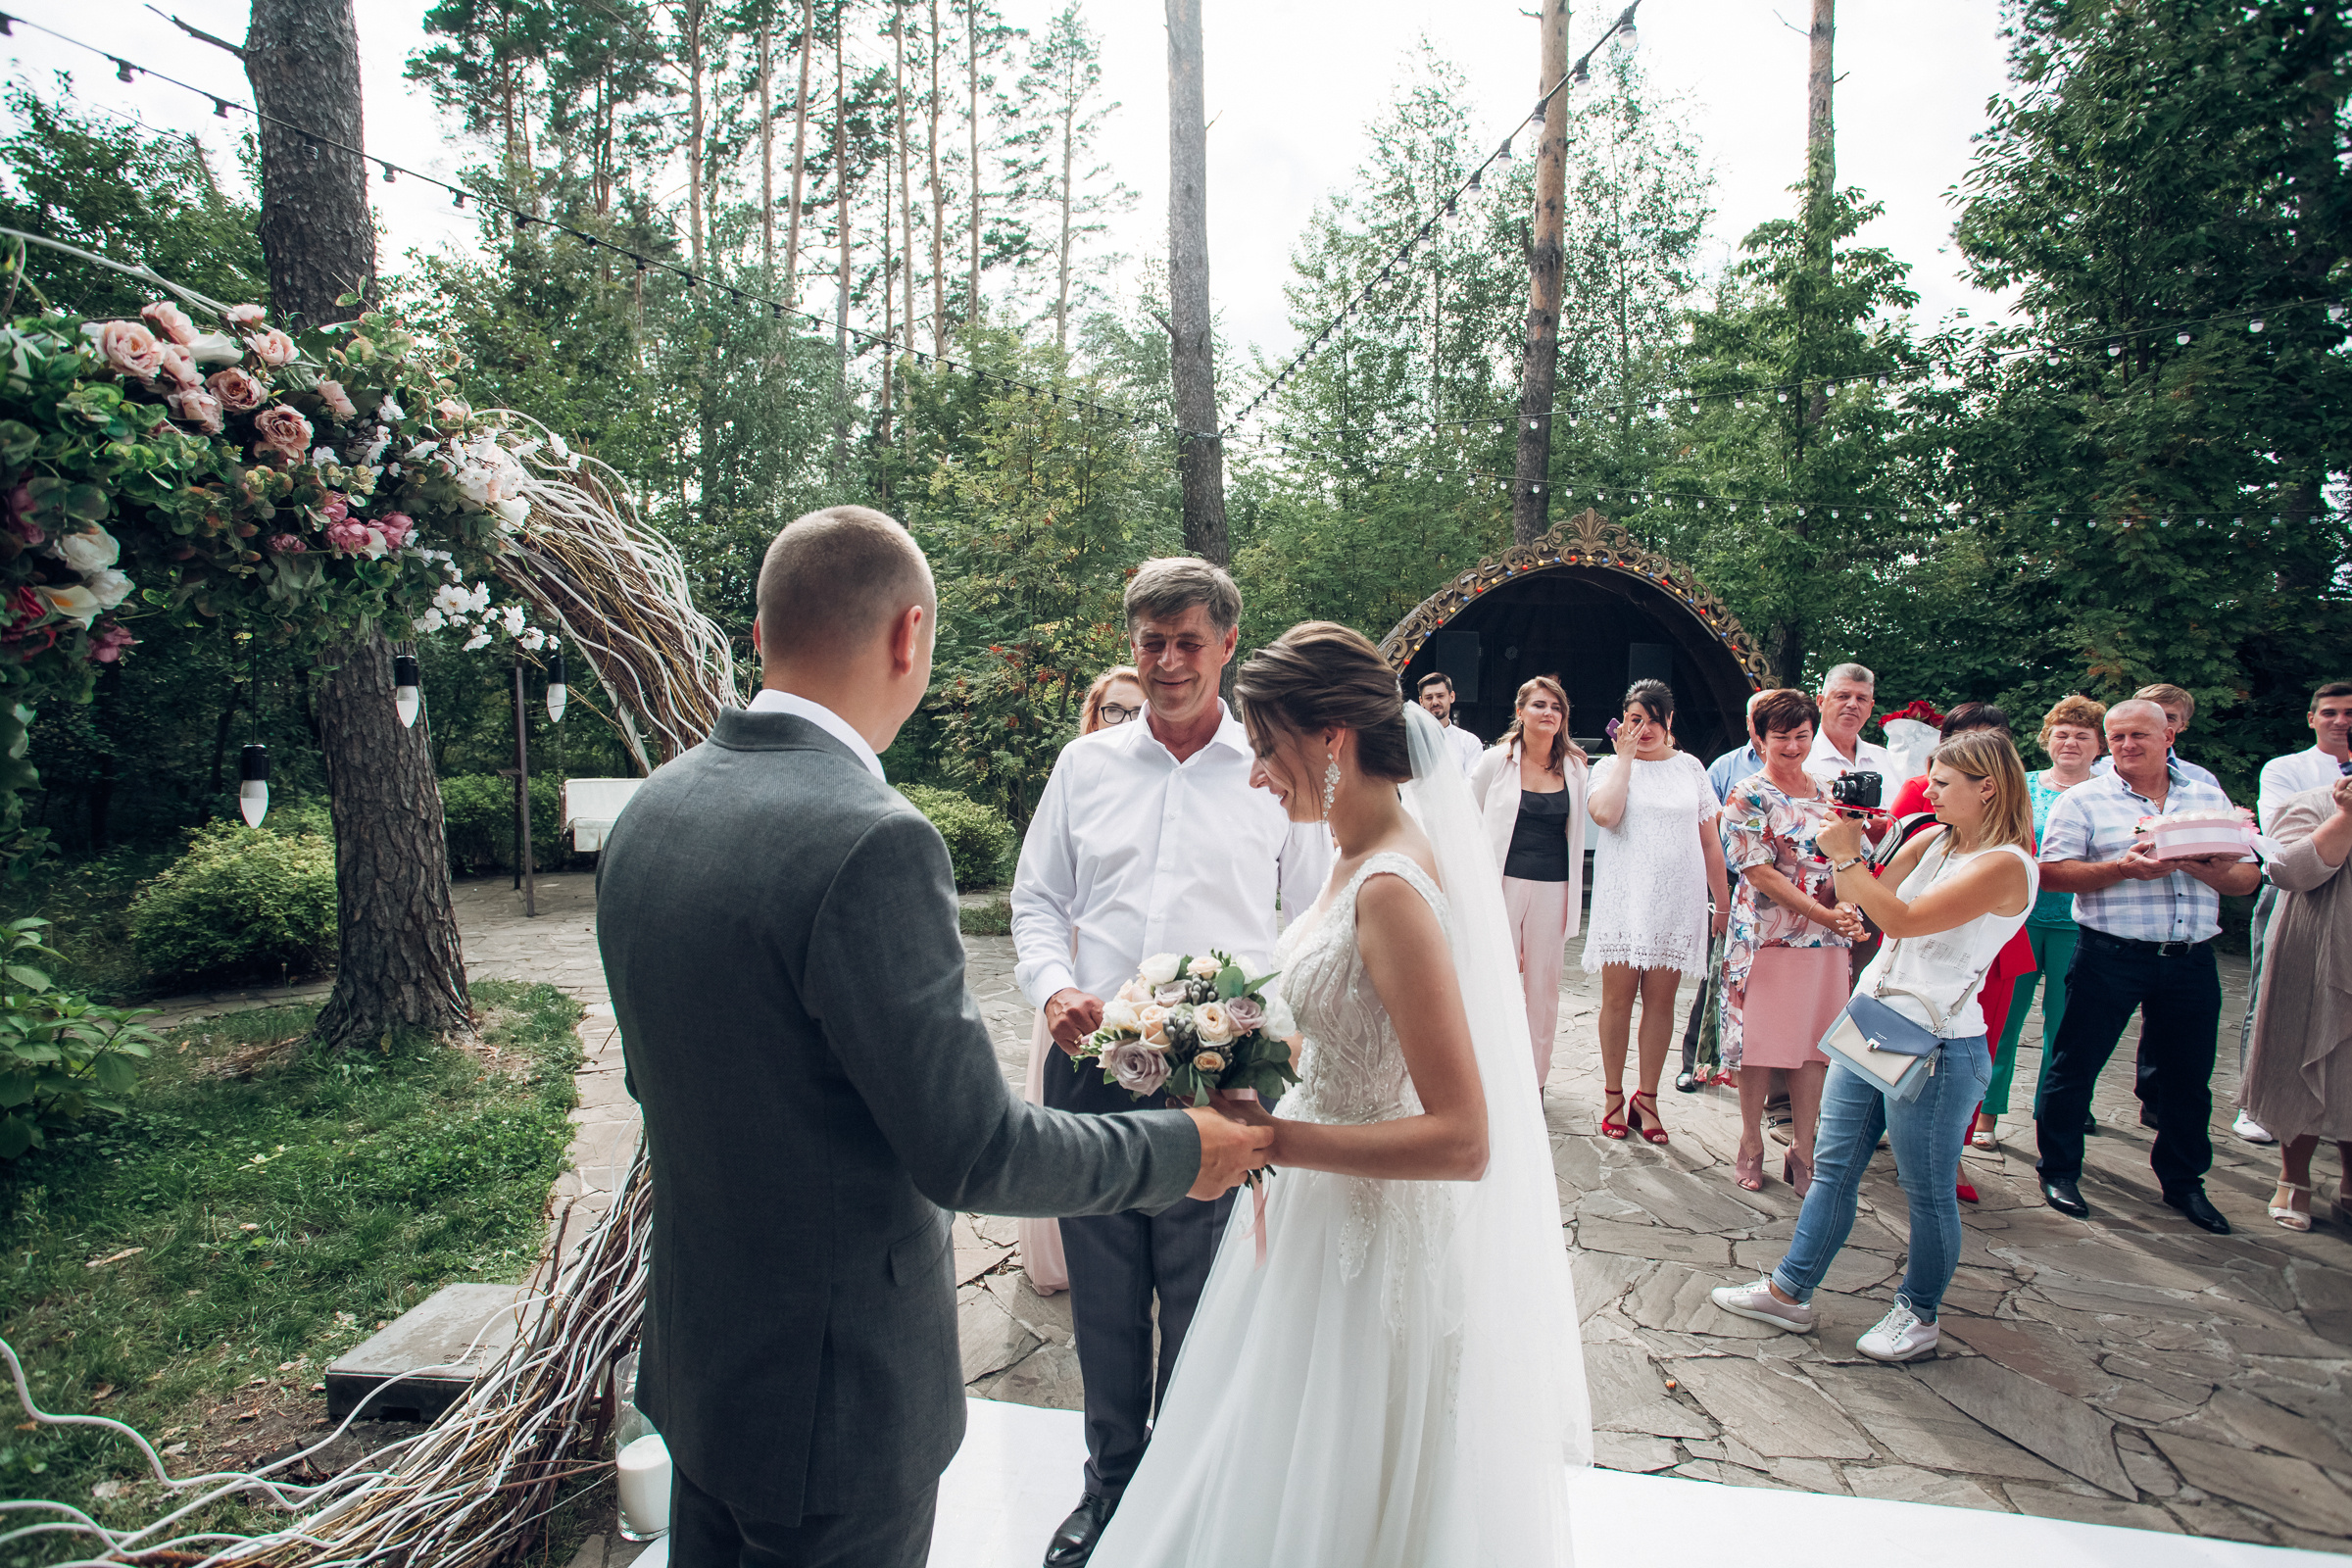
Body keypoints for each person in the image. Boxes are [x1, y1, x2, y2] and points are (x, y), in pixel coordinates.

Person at [596, 508, 1270, 1568]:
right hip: (837, 1397)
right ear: (909, 637)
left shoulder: (655, 810)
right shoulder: (873, 841)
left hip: (702, 1363)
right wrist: (1192, 1148)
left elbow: (658, 1084)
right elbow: (975, 1152)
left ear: (763, 633)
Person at [1090, 623, 1591, 1568]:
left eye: (1265, 747)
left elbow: (1463, 1140)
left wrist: (1276, 1142)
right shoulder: (1346, 855)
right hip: (1314, 1222)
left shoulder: (1393, 885)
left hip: (1370, 1251)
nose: (1254, 776)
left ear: (1330, 737)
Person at [1010, 559, 1330, 1568]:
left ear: (1229, 644)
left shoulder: (1270, 771)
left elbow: (1314, 923)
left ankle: (1187, 1503)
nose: (1167, 661)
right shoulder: (1086, 766)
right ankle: (1107, 1493)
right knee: (1104, 1303)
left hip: (1219, 1081)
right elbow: (1034, 903)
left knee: (1200, 1302)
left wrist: (1268, 1048)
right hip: (1094, 1073)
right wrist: (1053, 985)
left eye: (1189, 641)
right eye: (1151, 642)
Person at [1711, 730, 2038, 1363]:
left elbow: (1905, 918)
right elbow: (1869, 898)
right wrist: (1849, 873)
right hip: (1876, 1020)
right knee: (1833, 1166)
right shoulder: (1931, 839)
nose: (1930, 791)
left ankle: (1919, 1314)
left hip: (1941, 1043)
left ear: (1987, 787)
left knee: (1926, 1189)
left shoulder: (2005, 862)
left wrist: (1845, 860)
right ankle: (1789, 1292)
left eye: (1943, 783)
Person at [2033, 699, 2262, 1235]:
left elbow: (2247, 879)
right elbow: (2052, 874)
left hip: (2189, 957)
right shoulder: (2085, 799)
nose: (2127, 746)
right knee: (2074, 1065)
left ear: (2168, 738)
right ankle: (2060, 1169)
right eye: (2116, 738)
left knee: (2188, 1078)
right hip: (2110, 953)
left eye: (2139, 735)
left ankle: (2184, 1183)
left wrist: (2207, 868)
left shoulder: (2207, 796)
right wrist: (2122, 869)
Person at [1016, 665, 1149, 1298]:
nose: (1127, 721)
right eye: (1117, 710)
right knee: (1061, 1118)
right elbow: (1041, 889)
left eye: (1136, 710)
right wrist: (1053, 983)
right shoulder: (1078, 771)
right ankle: (1060, 1251)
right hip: (1072, 980)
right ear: (1096, 713)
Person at [1719, 690, 1863, 1191]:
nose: (1793, 746)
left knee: (1813, 1045)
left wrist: (1847, 905)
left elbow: (1851, 858)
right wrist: (1821, 910)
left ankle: (1804, 1146)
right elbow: (1758, 872)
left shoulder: (1829, 791)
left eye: (1803, 736)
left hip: (1824, 941)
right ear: (1758, 738)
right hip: (1766, 937)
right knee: (1760, 1043)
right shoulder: (1747, 795)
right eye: (1781, 737)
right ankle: (1751, 1140)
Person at [1583, 680, 1729, 1146]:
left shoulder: (1691, 768)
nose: (1643, 728)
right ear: (1622, 722)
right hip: (1624, 898)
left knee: (1662, 1001)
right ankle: (1611, 1095)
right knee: (1618, 1000)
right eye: (1634, 718)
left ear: (1670, 719)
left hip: (1676, 899)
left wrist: (1721, 901)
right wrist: (1624, 760)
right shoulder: (1607, 766)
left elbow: (1710, 840)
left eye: (1652, 717)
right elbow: (1605, 816)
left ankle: (1647, 1097)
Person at [1980, 695, 2106, 1150]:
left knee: (2066, 1027)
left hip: (2078, 922)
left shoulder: (2107, 794)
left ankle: (2051, 1118)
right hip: (2021, 920)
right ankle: (1986, 1112)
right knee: (2002, 1020)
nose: (2070, 743)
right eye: (2062, 734)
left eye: (2082, 736)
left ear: (2099, 745)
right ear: (2047, 739)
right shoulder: (2021, 785)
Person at [2234, 680, 2352, 1147]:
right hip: (2299, 899)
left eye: (2350, 713)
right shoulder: (2288, 768)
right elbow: (2282, 846)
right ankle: (2258, 1105)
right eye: (2331, 712)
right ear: (2312, 718)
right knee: (2272, 999)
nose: (2342, 721)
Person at [2241, 773, 2352, 1230]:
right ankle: (2294, 1177)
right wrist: (2346, 817)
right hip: (2315, 953)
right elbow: (2288, 871)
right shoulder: (2313, 803)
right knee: (2299, 1058)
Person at [1468, 675, 1590, 1085]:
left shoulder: (1574, 766)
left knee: (1543, 990)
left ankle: (1534, 1082)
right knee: (1494, 983)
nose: (1549, 713)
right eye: (1539, 705)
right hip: (1502, 883)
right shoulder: (1494, 762)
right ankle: (1489, 1078)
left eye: (1556, 707)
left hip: (1554, 886)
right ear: (1520, 712)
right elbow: (1467, 820)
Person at [2090, 682, 2222, 788]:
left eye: (2169, 717)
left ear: (2182, 725)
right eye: (2151, 715)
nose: (2161, 722)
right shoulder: (2098, 772)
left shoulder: (2201, 779)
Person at [1805, 662, 1895, 787]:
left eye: (1861, 698)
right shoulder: (1799, 759)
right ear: (1820, 702)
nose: (1852, 704)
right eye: (1843, 696)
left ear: (1870, 708)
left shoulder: (1888, 761)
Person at [1415, 670, 1486, 774]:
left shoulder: (1470, 742)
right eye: (1429, 697)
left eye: (1440, 696)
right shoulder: (1411, 741)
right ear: (1421, 701)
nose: (1434, 702)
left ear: (1452, 697)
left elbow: (1472, 785)